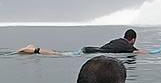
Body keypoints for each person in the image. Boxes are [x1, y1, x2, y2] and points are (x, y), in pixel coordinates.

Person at [15, 29, 147, 55]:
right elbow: (138, 52)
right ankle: (33, 50)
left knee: (61, 53)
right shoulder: (126, 45)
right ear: (133, 39)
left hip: (89, 49)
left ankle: (35, 49)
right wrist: (152, 53)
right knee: (59, 55)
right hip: (90, 52)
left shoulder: (118, 41)